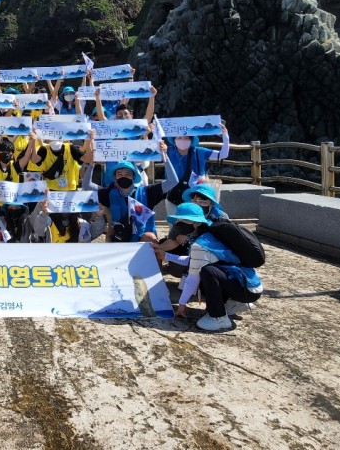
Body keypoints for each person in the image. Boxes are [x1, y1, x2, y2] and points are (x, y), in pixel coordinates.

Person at [158, 203, 263, 332]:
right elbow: (193, 261)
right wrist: (166, 256)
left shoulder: (200, 244)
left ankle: (218, 317)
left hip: (246, 289)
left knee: (207, 272)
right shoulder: (209, 234)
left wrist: (182, 304)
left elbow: (192, 278)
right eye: (178, 222)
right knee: (208, 269)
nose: (178, 226)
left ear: (193, 223)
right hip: (249, 284)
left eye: (182, 222)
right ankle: (233, 303)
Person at [81, 154, 179, 244]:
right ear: (115, 177)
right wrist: (91, 165)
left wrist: (165, 157)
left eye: (127, 174)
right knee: (110, 236)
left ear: (133, 177)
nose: (123, 176)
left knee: (150, 236)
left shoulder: (148, 191)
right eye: (119, 174)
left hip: (143, 238)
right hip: (120, 238)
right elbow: (86, 185)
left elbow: (173, 181)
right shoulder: (109, 193)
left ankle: (156, 262)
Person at [163, 121, 230, 213]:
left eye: (186, 138)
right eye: (179, 138)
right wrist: (159, 146)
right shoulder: (167, 151)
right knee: (174, 225)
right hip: (173, 195)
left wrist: (225, 136)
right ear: (174, 140)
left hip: (195, 196)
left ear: (191, 140)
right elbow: (150, 152)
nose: (182, 140)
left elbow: (223, 155)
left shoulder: (200, 152)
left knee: (196, 223)